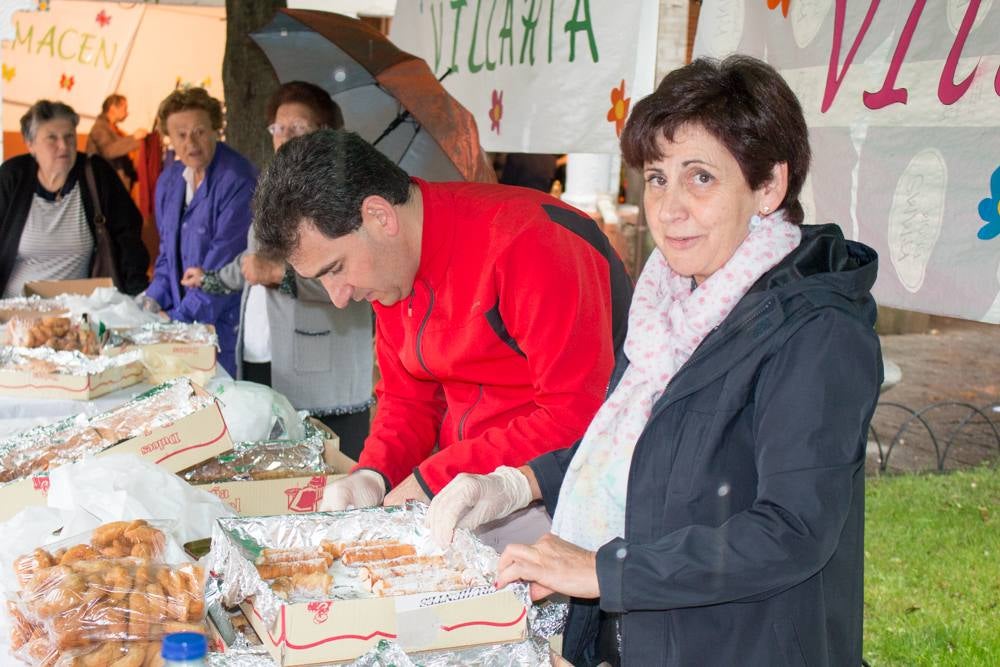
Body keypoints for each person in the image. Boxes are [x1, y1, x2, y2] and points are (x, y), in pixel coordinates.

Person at [427, 55, 883, 666]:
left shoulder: (818, 331)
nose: (668, 209)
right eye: (657, 177)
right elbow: (639, 452)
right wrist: (515, 483)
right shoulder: (668, 304)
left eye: (700, 178)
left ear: (769, 187)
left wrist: (606, 571)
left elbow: (793, 531)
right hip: (641, 638)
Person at [252, 129, 632, 514]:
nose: (337, 297)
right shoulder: (389, 269)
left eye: (335, 269)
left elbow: (574, 416)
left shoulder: (531, 241)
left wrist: (434, 478)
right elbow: (407, 396)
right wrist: (374, 473)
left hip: (567, 496)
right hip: (469, 489)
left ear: (379, 216)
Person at [180, 82, 373, 458]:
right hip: (261, 356)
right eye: (278, 129)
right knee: (271, 474)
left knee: (328, 483)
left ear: (325, 135)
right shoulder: (279, 192)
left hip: (323, 374)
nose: (284, 137)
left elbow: (357, 280)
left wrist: (277, 274)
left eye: (297, 128)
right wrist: (213, 279)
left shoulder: (348, 198)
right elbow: (253, 262)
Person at [143, 88, 257, 376]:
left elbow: (221, 268)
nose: (190, 143)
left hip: (222, 325)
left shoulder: (237, 180)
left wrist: (177, 323)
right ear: (168, 138)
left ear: (216, 130)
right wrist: (152, 298)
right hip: (183, 324)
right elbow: (167, 253)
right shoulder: (169, 179)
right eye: (180, 135)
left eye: (199, 132)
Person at [0, 100, 149, 298]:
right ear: (31, 144)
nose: (63, 146)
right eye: (52, 138)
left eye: (69, 137)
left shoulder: (96, 175)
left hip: (80, 312)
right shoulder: (12, 177)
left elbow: (128, 240)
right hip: (15, 312)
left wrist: (137, 295)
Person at [86, 94, 147, 193]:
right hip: (104, 188)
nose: (127, 112)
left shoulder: (113, 129)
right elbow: (109, 151)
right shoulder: (99, 128)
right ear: (113, 108)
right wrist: (134, 138)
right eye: (124, 108)